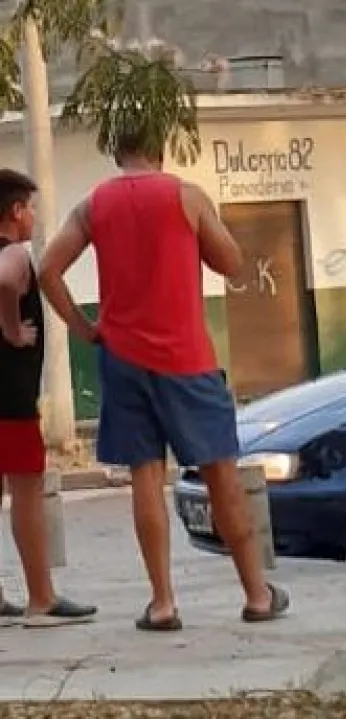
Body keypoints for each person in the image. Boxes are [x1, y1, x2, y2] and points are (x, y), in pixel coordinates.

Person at [38, 130, 289, 632]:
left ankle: (163, 603)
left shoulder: (94, 204)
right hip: (187, 358)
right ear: (160, 152)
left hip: (123, 360)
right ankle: (257, 594)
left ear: (117, 155)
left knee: (146, 479)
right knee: (221, 476)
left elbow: (48, 269)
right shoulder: (186, 195)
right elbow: (232, 262)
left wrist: (86, 329)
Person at [0, 169, 96, 627]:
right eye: (31, 209)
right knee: (27, 494)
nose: (34, 218)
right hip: (11, 398)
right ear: (16, 211)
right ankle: (41, 597)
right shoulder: (14, 254)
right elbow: (5, 280)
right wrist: (12, 329)